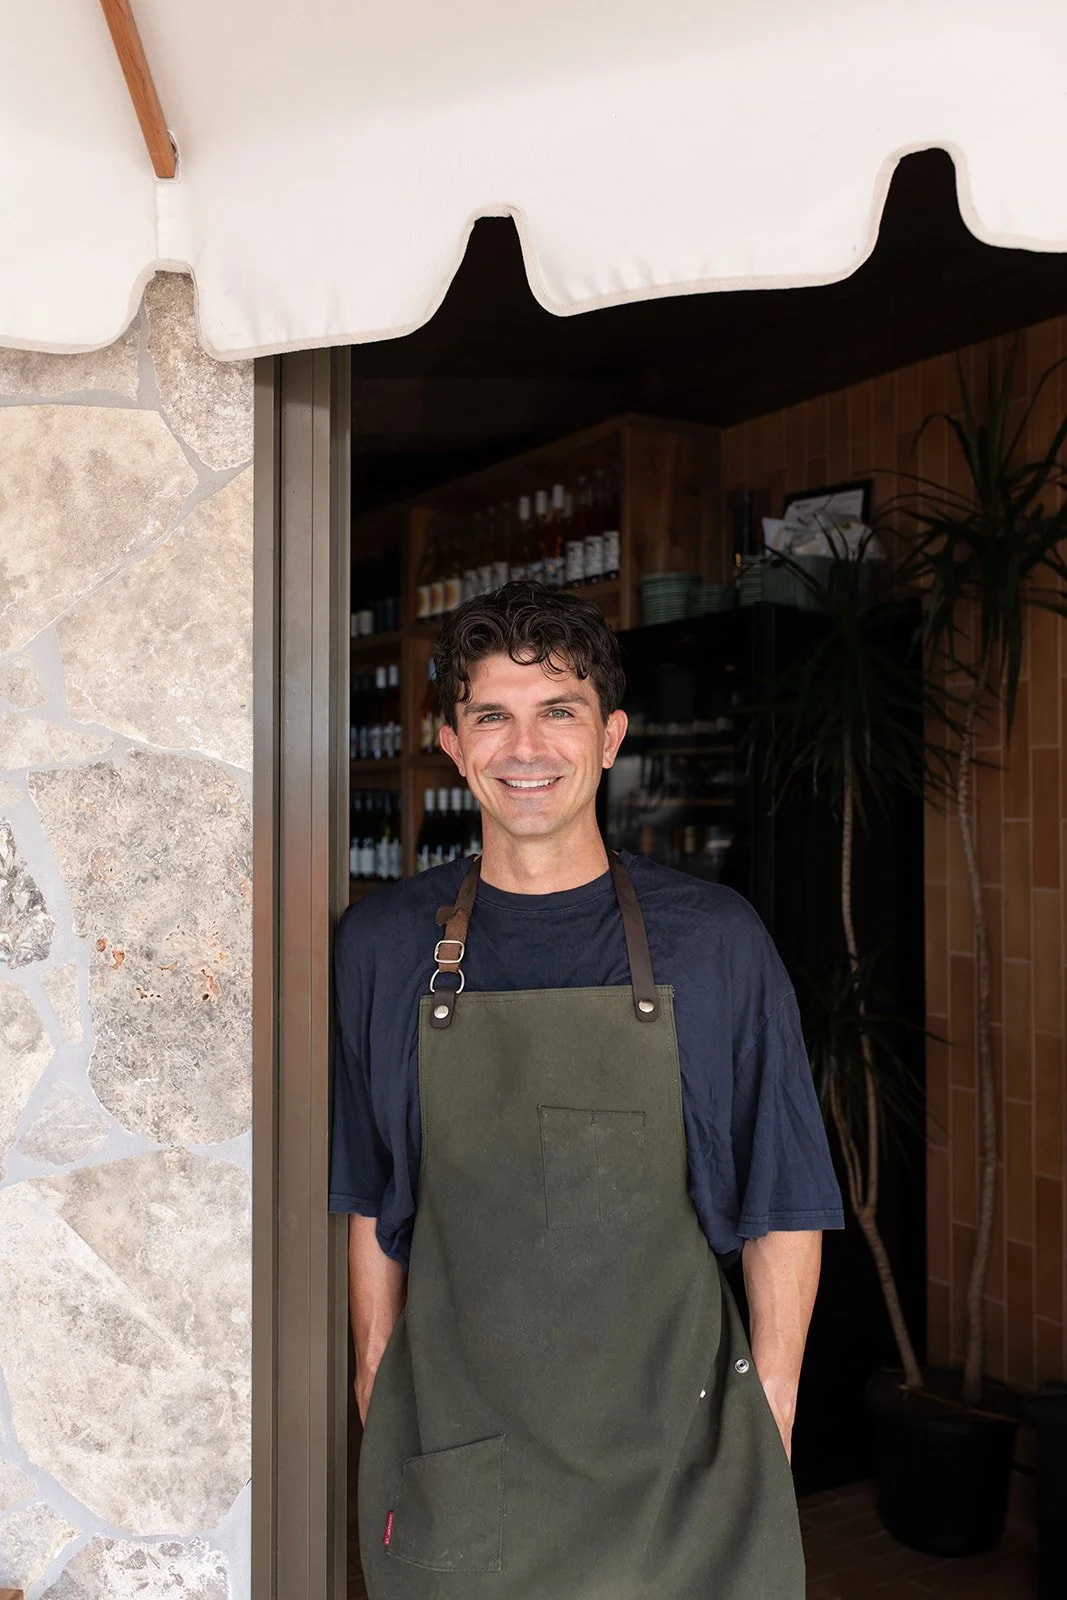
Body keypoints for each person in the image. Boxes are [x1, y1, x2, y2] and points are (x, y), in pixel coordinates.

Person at [330, 581, 843, 1599]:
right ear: (450, 740)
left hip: (677, 1468)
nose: (525, 747)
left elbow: (783, 1199)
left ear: (608, 736)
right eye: (492, 715)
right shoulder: (384, 947)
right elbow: (370, 1193)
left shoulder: (714, 942)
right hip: (464, 1456)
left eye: (556, 710)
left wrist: (768, 1411)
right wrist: (377, 1384)